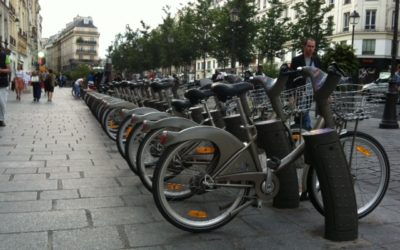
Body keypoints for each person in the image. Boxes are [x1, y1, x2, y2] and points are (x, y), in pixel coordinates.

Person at [288, 38, 322, 131]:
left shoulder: (317, 60)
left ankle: (298, 133)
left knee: (301, 115)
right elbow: (290, 78)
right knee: (303, 113)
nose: (310, 49)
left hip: (311, 93)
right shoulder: (296, 60)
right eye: (309, 46)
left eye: (312, 47)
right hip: (299, 93)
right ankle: (309, 133)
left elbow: (321, 77)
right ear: (304, 46)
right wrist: (291, 95)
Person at [0, 45, 11, 127]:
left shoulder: (5, 56)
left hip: (2, 82)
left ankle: (1, 119)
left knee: (1, 102)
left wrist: (1, 70)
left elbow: (9, 69)